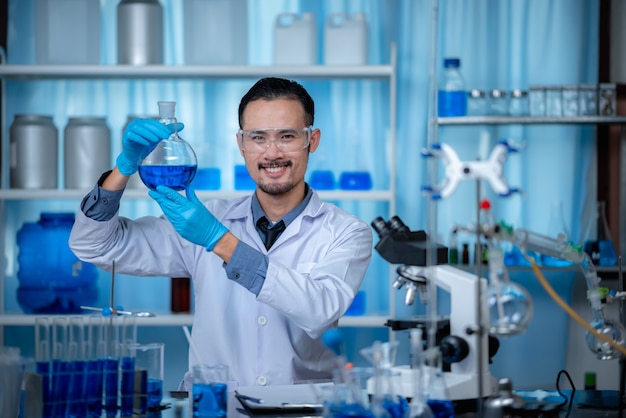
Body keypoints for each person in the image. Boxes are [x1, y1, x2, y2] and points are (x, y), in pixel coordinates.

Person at [69, 77, 373, 390]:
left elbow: (320, 310)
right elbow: (94, 245)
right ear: (241, 144)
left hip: (299, 409)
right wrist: (124, 167)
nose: (272, 153)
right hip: (213, 407)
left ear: (313, 140)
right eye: (258, 138)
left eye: (287, 136)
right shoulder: (206, 217)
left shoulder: (346, 232)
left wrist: (220, 241)